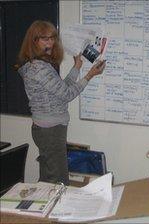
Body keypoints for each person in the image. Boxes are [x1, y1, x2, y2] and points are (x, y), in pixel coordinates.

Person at [15, 20, 106, 185]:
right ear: (33, 41)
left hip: (47, 127)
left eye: (52, 38)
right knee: (58, 179)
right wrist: (90, 75)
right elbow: (67, 94)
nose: (50, 42)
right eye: (44, 38)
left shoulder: (40, 64)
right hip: (50, 129)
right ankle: (48, 209)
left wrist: (77, 67)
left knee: (49, 174)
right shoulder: (39, 68)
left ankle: (40, 207)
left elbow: (60, 88)